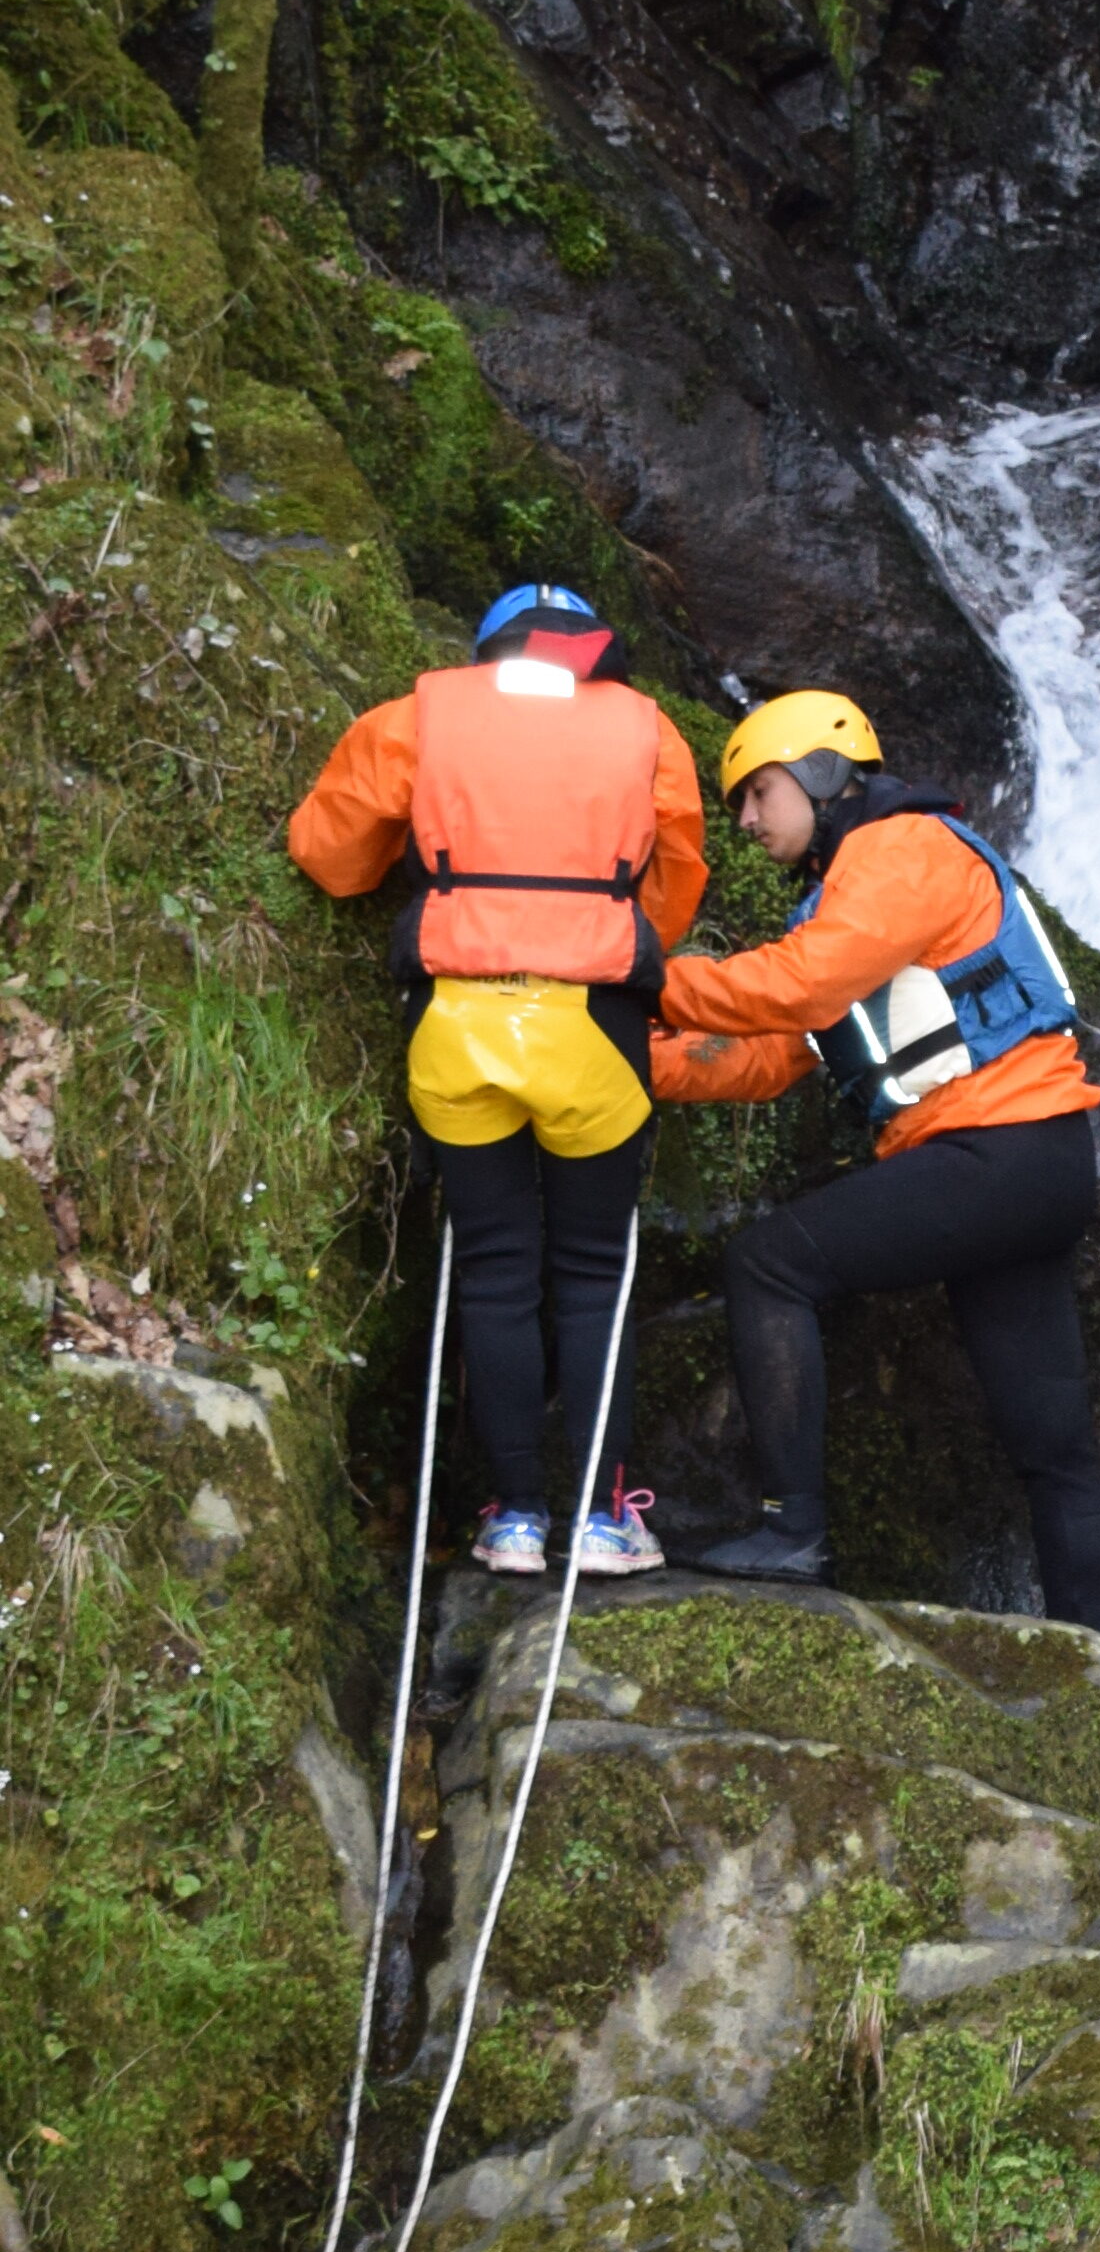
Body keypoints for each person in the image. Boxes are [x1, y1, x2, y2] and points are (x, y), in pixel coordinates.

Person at [651, 692, 1100, 1631]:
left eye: (759, 792)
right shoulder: (850, 895)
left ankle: (794, 1531)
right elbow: (775, 1055)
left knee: (768, 1263)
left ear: (823, 775)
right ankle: (1090, 1659)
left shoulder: (903, 849)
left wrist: (638, 971)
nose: (745, 820)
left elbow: (798, 984)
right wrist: (633, 1054)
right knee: (1051, 1447)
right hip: (1029, 1165)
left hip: (997, 1153)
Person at [287, 581, 703, 1578]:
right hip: (590, 1026)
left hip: (456, 1020)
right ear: (588, 654)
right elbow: (674, 889)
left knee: (495, 1270)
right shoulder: (652, 734)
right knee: (595, 1272)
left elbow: (331, 857)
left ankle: (515, 1518)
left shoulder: (418, 717)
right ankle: (604, 1519)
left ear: (489, 651)